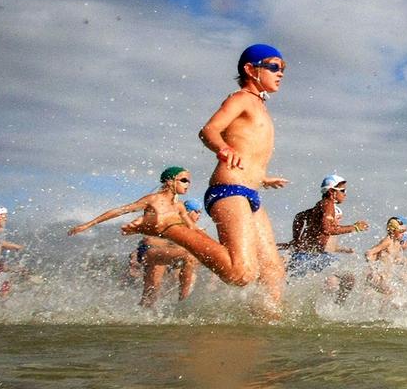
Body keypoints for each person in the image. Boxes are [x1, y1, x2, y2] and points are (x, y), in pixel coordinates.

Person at [124, 44, 291, 313]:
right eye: (273, 66)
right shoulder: (241, 98)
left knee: (273, 272)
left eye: (283, 68)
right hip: (229, 189)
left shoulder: (259, 106)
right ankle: (169, 226)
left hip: (249, 191)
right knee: (241, 274)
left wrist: (262, 177)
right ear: (250, 69)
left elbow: (250, 151)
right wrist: (222, 149)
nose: (280, 72)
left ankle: (266, 325)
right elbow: (209, 130)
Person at [69, 167, 202, 307]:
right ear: (169, 181)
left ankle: (131, 318)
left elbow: (193, 229)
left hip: (164, 253)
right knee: (189, 257)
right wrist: (88, 224)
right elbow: (120, 211)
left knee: (149, 299)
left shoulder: (179, 206)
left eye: (189, 181)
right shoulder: (153, 200)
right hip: (150, 251)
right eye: (184, 180)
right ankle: (184, 304)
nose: (188, 184)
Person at [365, 216, 407, 294]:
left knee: (397, 296)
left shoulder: (397, 244)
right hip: (376, 277)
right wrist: (373, 270)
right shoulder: (388, 241)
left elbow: (399, 260)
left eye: (404, 231)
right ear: (393, 230)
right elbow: (369, 253)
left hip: (383, 279)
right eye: (401, 231)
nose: (403, 234)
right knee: (393, 295)